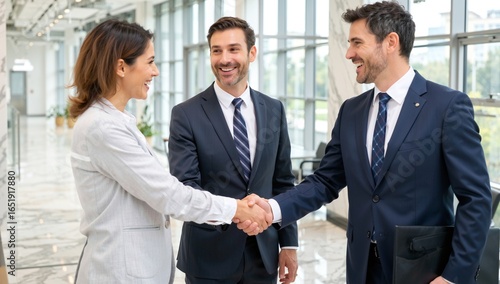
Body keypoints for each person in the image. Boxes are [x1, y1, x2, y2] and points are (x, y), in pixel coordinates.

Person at [238, 1, 492, 283]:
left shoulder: (447, 106)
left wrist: (455, 276)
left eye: (357, 43)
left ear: (391, 42)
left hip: (425, 270)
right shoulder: (351, 111)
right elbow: (325, 181)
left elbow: (475, 199)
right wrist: (272, 209)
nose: (349, 53)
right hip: (361, 267)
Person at [67, 19, 271, 283]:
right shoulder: (103, 127)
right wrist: (237, 209)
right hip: (117, 268)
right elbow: (169, 195)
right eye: (149, 61)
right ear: (121, 67)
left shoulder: (115, 120)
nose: (155, 71)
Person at [168, 16, 298, 284]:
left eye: (233, 49)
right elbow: (187, 188)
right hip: (208, 257)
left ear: (252, 52)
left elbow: (283, 182)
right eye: (216, 51)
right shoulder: (186, 114)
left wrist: (289, 245)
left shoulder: (274, 110)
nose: (224, 59)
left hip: (264, 256)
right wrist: (239, 212)